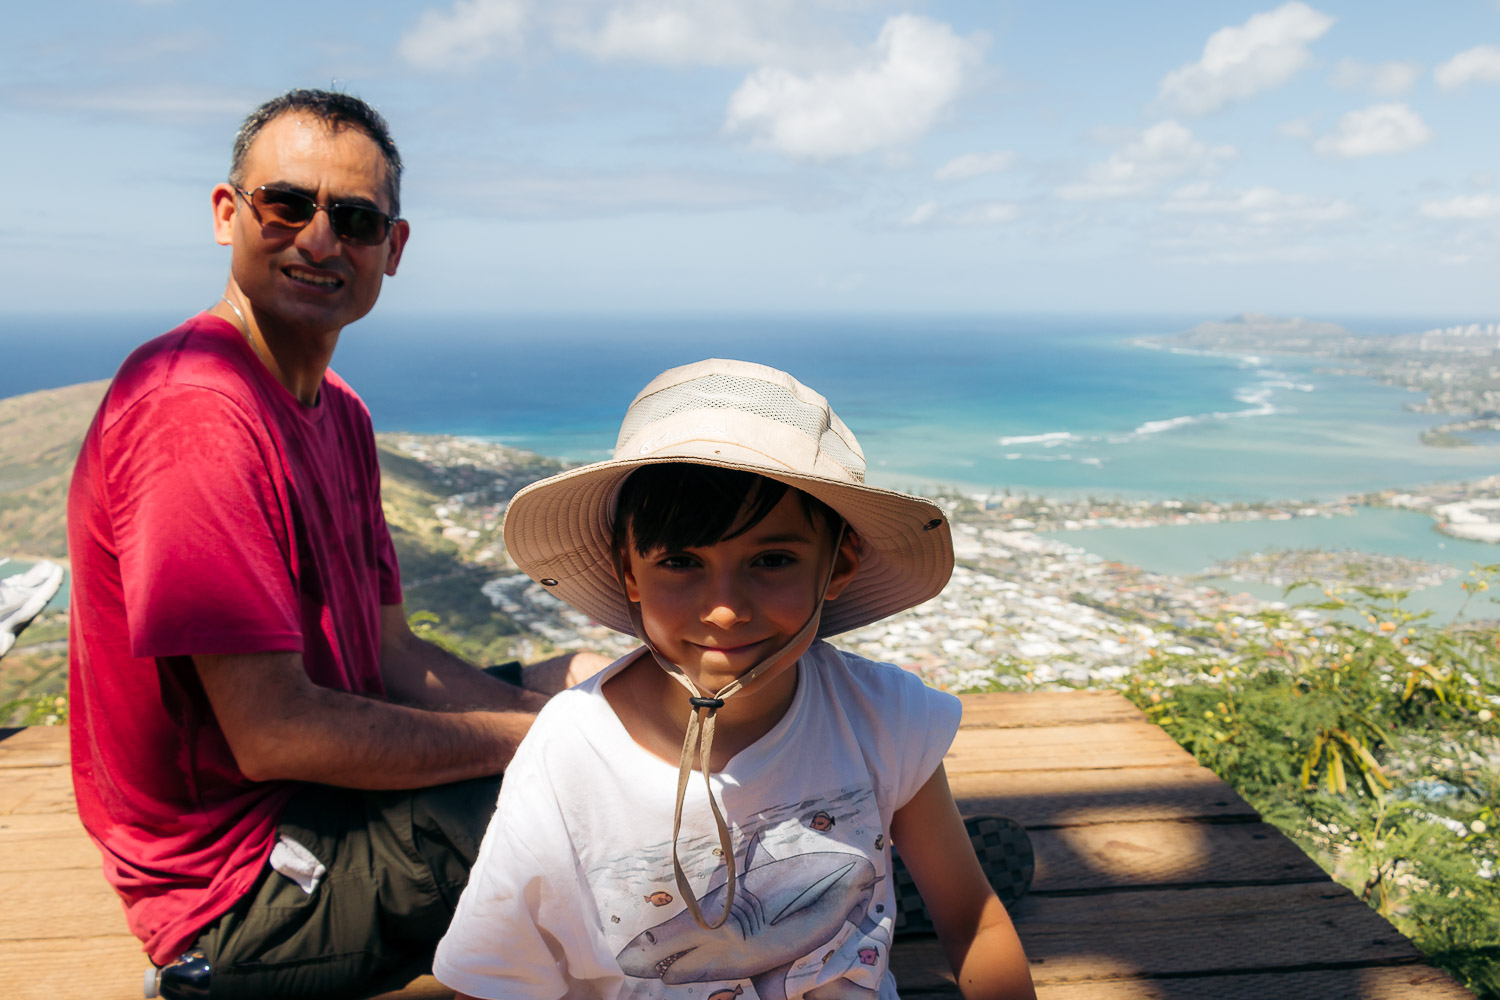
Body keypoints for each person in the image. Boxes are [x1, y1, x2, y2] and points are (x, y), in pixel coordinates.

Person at [66, 88, 606, 999]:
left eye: (354, 219)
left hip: (336, 800)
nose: (319, 241)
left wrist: (565, 719)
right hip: (251, 888)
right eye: (286, 206)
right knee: (605, 802)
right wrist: (549, 748)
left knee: (600, 676)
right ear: (227, 213)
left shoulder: (338, 413)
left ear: (391, 251)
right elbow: (276, 734)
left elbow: (391, 654)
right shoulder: (194, 413)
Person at [433, 359, 1037, 1000]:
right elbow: (491, 977)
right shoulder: (570, 750)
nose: (725, 608)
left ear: (839, 565)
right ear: (629, 572)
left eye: (771, 559)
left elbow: (971, 918)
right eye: (680, 561)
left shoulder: (884, 717)